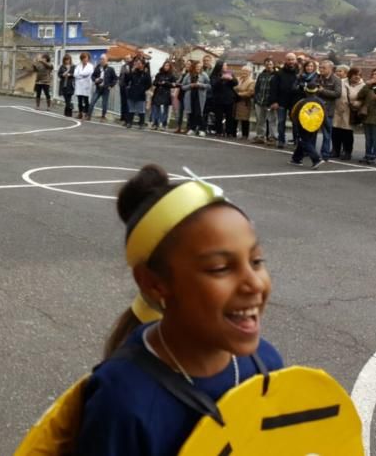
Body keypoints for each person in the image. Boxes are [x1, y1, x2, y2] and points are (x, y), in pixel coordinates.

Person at [76, 164, 281, 455]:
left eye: (257, 261)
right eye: (221, 268)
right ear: (154, 283)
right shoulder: (121, 403)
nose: (254, 283)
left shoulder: (267, 365)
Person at [289, 82, 326, 169]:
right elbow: (324, 114)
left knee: (305, 141)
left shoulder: (302, 102)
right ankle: (296, 158)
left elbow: (294, 114)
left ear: (305, 91)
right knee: (304, 141)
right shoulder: (320, 102)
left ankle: (316, 159)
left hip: (303, 125)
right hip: (315, 125)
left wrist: (295, 123)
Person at [267, 53, 301, 149]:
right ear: (286, 60)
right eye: (289, 59)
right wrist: (274, 101)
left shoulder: (299, 73)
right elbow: (273, 88)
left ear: (295, 60)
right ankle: (281, 140)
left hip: (295, 102)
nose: (291, 61)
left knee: (295, 122)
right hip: (281, 101)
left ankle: (296, 140)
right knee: (281, 122)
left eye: (292, 59)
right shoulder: (279, 73)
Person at [332, 68, 364, 160]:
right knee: (336, 131)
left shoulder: (363, 86)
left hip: (350, 112)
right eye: (355, 75)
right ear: (350, 75)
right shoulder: (341, 82)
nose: (357, 77)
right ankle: (335, 150)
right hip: (338, 110)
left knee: (347, 133)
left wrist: (358, 103)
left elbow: (363, 98)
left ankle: (347, 152)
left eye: (359, 75)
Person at [180, 61, 210, 136]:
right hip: (190, 96)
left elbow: (209, 86)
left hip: (200, 97)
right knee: (191, 113)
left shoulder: (204, 75)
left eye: (200, 67)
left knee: (199, 113)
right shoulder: (188, 75)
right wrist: (190, 85)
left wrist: (200, 85)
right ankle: (192, 128)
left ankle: (202, 129)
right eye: (197, 66)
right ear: (194, 67)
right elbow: (183, 87)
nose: (198, 68)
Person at [121, 57, 151, 128]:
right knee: (131, 108)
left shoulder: (146, 74)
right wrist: (130, 72)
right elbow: (127, 80)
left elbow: (149, 84)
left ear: (143, 65)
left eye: (139, 63)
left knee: (141, 109)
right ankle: (129, 122)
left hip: (141, 93)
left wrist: (143, 89)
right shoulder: (133, 72)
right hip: (132, 92)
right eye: (137, 63)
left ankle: (141, 123)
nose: (137, 64)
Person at [210, 62, 238, 137]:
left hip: (229, 98)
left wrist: (231, 79)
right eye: (225, 65)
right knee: (218, 116)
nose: (226, 67)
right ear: (220, 67)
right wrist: (221, 79)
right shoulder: (215, 75)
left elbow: (236, 83)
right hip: (218, 99)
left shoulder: (230, 73)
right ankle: (218, 131)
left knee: (229, 116)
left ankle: (229, 132)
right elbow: (214, 85)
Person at [252, 58, 276, 144]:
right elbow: (257, 87)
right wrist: (255, 98)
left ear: (273, 65)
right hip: (260, 101)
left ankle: (272, 137)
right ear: (264, 65)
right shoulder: (261, 75)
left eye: (270, 64)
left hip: (270, 101)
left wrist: (275, 101)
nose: (268, 66)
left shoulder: (276, 75)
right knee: (260, 120)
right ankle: (260, 136)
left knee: (271, 120)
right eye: (266, 64)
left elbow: (277, 89)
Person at [150, 61, 176, 130]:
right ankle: (155, 124)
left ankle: (164, 125)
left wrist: (165, 83)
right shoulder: (159, 74)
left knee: (165, 110)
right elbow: (154, 83)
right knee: (156, 108)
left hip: (166, 93)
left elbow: (173, 85)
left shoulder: (172, 75)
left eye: (168, 66)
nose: (166, 67)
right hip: (158, 92)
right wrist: (158, 83)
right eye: (165, 65)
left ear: (170, 67)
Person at [90, 55, 117, 120]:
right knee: (92, 101)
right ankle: (89, 115)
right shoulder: (98, 67)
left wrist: (111, 86)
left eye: (103, 59)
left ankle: (103, 116)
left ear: (106, 60)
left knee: (104, 103)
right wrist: (95, 79)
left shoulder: (110, 69)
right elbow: (93, 76)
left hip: (106, 89)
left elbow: (115, 79)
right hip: (98, 88)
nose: (102, 61)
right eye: (101, 59)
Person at [233, 66, 255, 139]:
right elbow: (233, 87)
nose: (244, 72)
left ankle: (245, 135)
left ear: (249, 73)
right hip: (235, 101)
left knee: (244, 119)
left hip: (244, 102)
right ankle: (233, 133)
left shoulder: (252, 81)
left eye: (246, 71)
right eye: (243, 71)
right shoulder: (237, 79)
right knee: (234, 118)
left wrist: (238, 93)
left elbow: (250, 92)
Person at [74, 52, 95, 121]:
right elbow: (75, 74)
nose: (85, 59)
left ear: (88, 58)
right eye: (83, 58)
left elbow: (88, 73)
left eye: (86, 58)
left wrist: (80, 75)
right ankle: (80, 113)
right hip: (79, 85)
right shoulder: (78, 66)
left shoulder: (90, 66)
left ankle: (86, 114)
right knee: (79, 100)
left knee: (86, 100)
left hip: (86, 85)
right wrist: (82, 75)